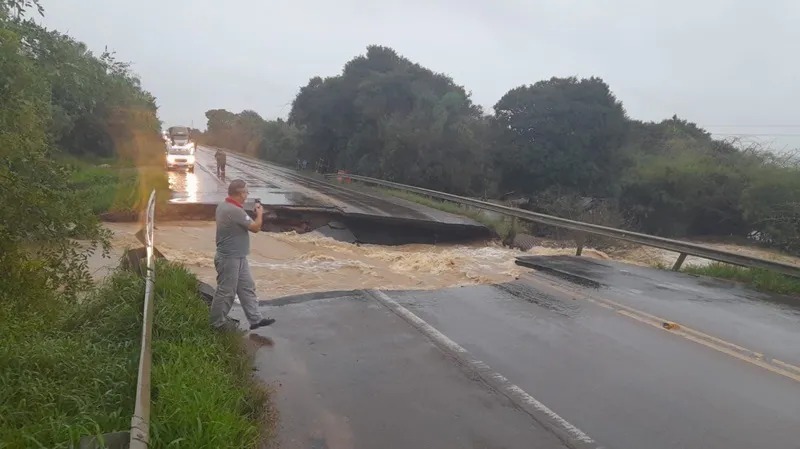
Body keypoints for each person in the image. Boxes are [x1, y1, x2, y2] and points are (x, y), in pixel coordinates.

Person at [210, 179, 275, 331]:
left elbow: (242, 221)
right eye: (246, 192)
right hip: (229, 258)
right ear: (239, 193)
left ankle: (255, 319)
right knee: (226, 292)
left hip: (238, 256)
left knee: (247, 287)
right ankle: (216, 324)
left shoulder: (224, 206)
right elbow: (255, 227)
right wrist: (260, 214)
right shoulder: (234, 210)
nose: (247, 195)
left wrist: (250, 216)